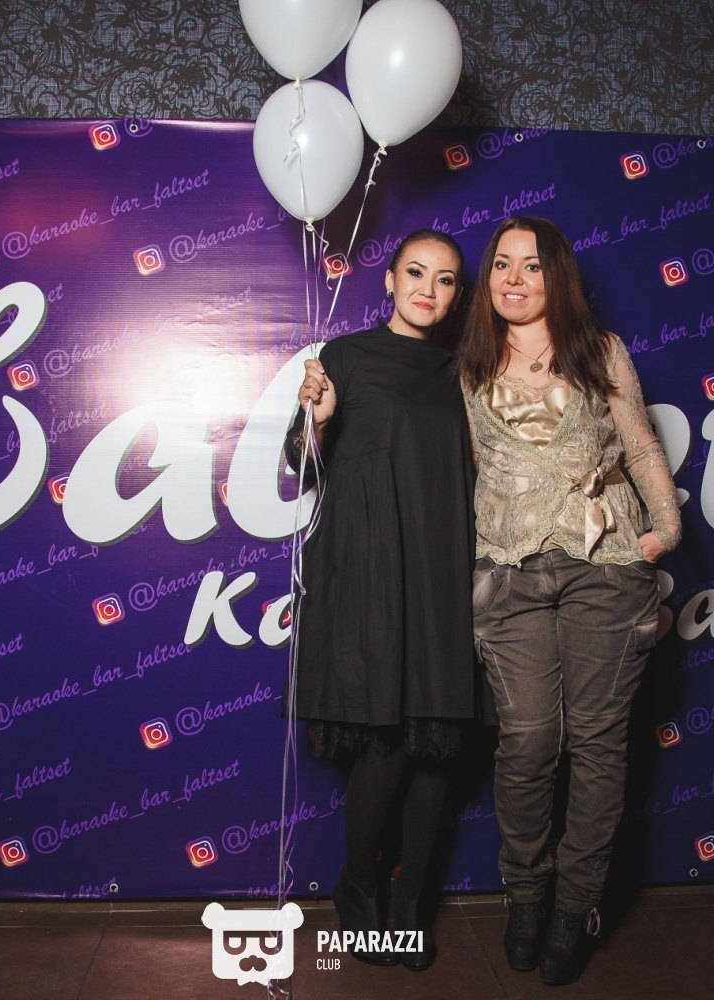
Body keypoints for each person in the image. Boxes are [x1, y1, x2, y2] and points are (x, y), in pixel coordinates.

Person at [458, 217, 680, 986]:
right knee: (527, 742)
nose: (514, 279)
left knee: (597, 744)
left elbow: (640, 443)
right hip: (509, 574)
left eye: (531, 265)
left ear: (558, 276)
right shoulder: (471, 363)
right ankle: (525, 893)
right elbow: (466, 466)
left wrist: (665, 528)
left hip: (606, 567)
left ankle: (575, 906)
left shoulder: (601, 350)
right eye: (501, 265)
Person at [285, 229, 476, 972]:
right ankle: (358, 889)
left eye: (446, 279)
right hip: (369, 570)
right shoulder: (346, 357)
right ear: (390, 281)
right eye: (416, 273)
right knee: (388, 744)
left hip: (447, 568)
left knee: (440, 748)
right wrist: (319, 418)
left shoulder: (467, 370)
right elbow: (301, 466)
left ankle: (412, 906)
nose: (429, 289)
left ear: (458, 294)